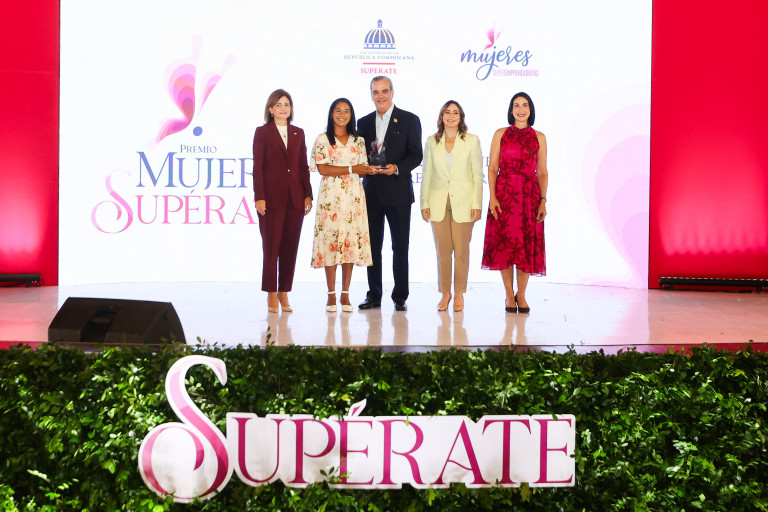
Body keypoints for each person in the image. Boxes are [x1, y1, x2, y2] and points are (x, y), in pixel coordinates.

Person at [356, 76, 423, 311]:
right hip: (372, 193)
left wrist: (397, 167)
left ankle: (400, 296)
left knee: (400, 247)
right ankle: (374, 295)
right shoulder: (363, 123)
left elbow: (416, 154)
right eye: (376, 92)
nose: (380, 96)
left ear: (392, 92)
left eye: (384, 91)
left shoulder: (409, 119)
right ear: (371, 95)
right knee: (373, 247)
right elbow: (358, 156)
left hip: (398, 192)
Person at [481, 92, 548, 313]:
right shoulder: (501, 134)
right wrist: (492, 197)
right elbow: (492, 168)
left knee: (526, 247)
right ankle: (509, 295)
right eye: (516, 105)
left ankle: (522, 294)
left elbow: (542, 172)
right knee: (505, 247)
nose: (520, 109)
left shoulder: (539, 137)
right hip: (505, 196)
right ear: (511, 110)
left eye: (525, 105)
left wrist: (543, 201)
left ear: (530, 110)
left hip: (529, 197)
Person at [252, 89, 313, 313]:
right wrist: (259, 196)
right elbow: (258, 167)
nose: (283, 108)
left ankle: (284, 291)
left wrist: (308, 194)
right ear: (270, 109)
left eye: (286, 104)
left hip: (295, 198)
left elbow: (302, 165)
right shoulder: (262, 132)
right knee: (271, 248)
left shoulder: (298, 133)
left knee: (290, 247)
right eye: (278, 104)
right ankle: (271, 292)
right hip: (271, 199)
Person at [310, 98, 373, 312]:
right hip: (330, 198)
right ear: (331, 113)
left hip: (354, 197)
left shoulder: (359, 140)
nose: (342, 114)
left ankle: (345, 294)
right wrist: (352, 169)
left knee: (349, 244)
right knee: (330, 242)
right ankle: (330, 295)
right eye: (338, 110)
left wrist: (365, 169)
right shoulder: (323, 139)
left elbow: (363, 169)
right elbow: (323, 169)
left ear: (351, 115)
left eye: (347, 111)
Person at [420, 100, 483, 312]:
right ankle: (445, 293)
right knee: (443, 251)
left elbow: (477, 175)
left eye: (455, 113)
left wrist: (477, 204)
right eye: (447, 112)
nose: (451, 116)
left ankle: (459, 293)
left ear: (461, 117)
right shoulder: (432, 141)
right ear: (441, 116)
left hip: (464, 202)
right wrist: (424, 202)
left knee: (461, 251)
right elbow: (427, 173)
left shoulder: (471, 141)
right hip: (437, 202)